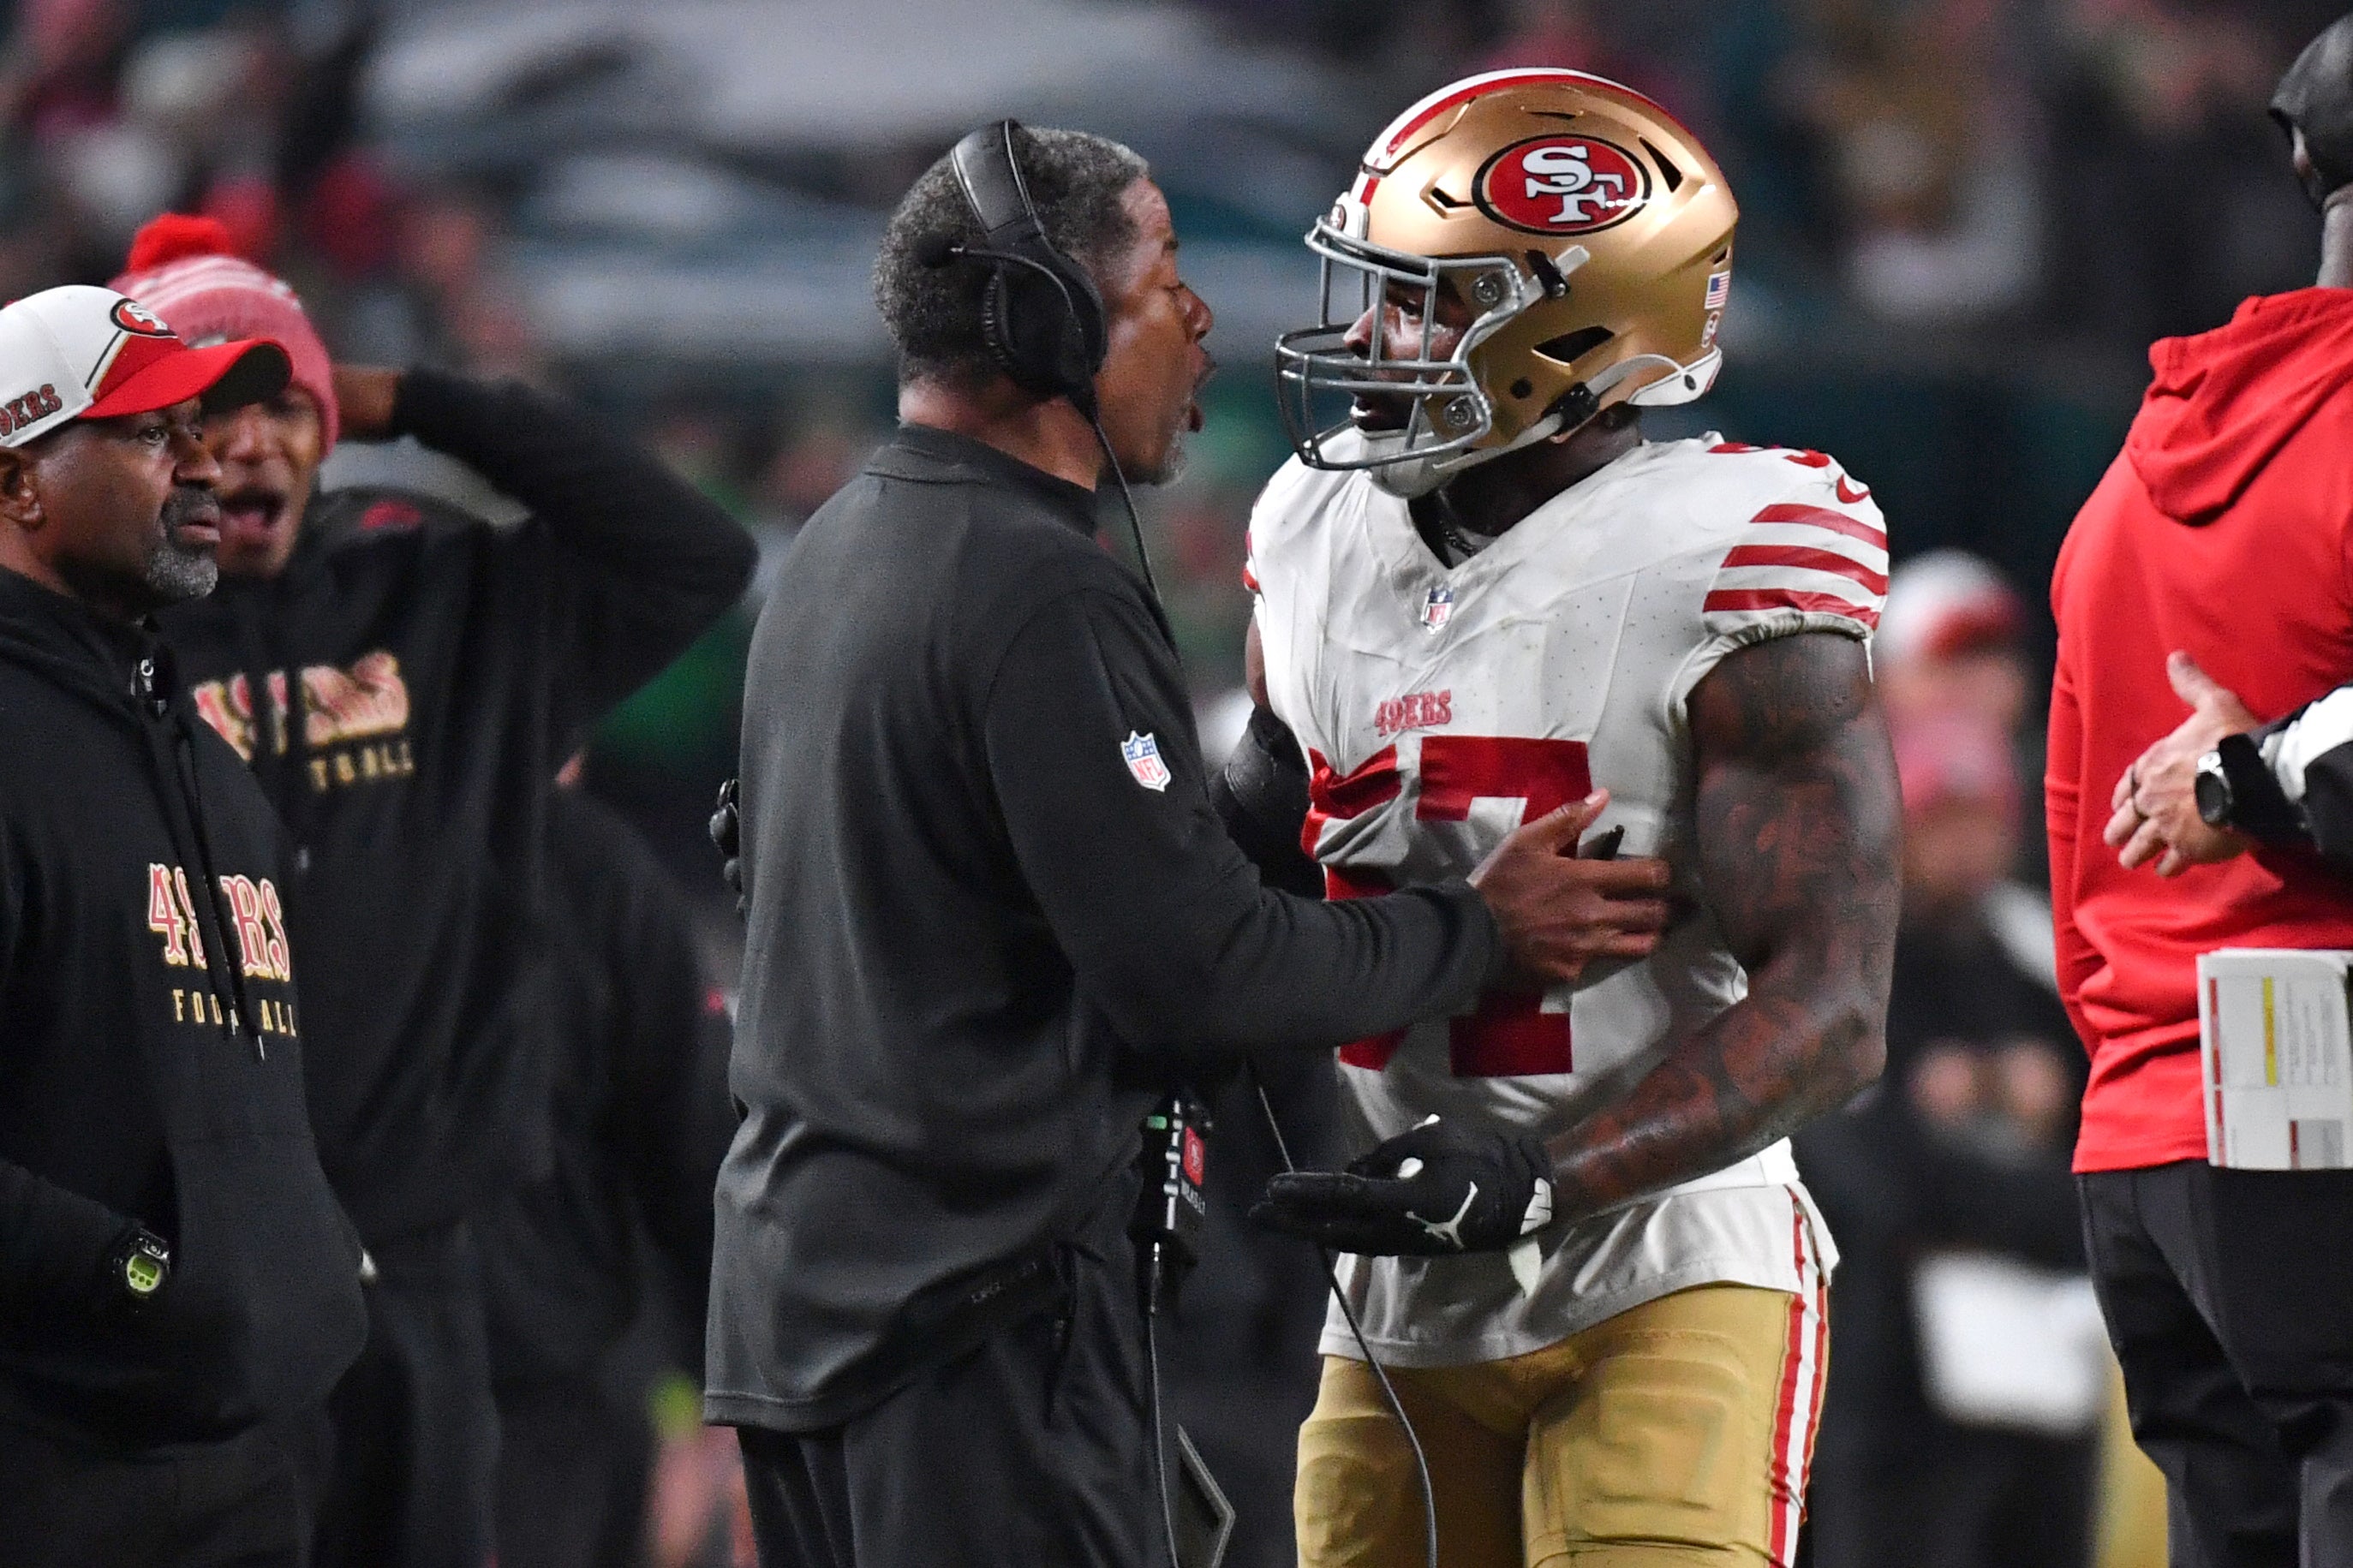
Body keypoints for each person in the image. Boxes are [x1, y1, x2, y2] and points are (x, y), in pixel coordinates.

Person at [710, 119, 1674, 1568]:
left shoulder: (844, 552)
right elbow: (1193, 975)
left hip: (810, 1319)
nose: (1199, 315)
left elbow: (1033, 899)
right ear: (1046, 326)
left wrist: (1262, 798)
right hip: (974, 1334)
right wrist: (1477, 930)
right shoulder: (1036, 589)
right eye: (1162, 274)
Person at [1238, 70, 1902, 1568]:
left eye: (1418, 303)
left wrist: (1542, 1176)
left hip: (1657, 1262)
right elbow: (1248, 856)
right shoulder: (1309, 528)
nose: (1363, 339)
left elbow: (1834, 1009)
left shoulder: (1734, 557)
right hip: (1397, 1285)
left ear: (1573, 328)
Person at [107, 214, 759, 1568]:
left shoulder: (437, 595)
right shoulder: (87, 630)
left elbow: (690, 556)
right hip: (181, 1284)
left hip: (427, 1276)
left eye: (278, 403)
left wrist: (416, 397)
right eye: (200, 412)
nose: (244, 443)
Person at [2046, 15, 2353, 1563]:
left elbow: (2069, 819)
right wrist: (2271, 768)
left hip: (2146, 1132)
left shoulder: (2133, 465)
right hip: (2333, 1108)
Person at [0, 284, 368, 1564]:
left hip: (244, 1463)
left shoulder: (205, 761)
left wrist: (302, 1251)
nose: (206, 459)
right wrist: (131, 1270)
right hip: (48, 1461)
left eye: (201, 426)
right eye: (155, 431)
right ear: (21, 479)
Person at [1798, 714, 2096, 1568]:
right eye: (1940, 819)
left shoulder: (2035, 963)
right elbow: (1858, 1176)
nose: (1962, 845)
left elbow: (2109, 1177)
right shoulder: (1843, 967)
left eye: (1979, 818)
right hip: (1889, 1385)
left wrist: (1980, 1188)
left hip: (2043, 1362)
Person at [484, 767, 737, 1568]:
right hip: (515, 1392)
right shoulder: (587, 864)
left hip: (560, 1410)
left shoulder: (592, 870)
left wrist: (724, 1418)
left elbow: (703, 1167)